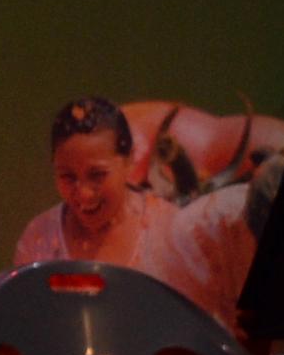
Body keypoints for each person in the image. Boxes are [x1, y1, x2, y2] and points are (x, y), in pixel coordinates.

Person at [13, 96, 177, 271]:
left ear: (129, 160)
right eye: (68, 176)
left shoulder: (170, 233)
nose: (84, 193)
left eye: (97, 175)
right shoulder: (39, 238)